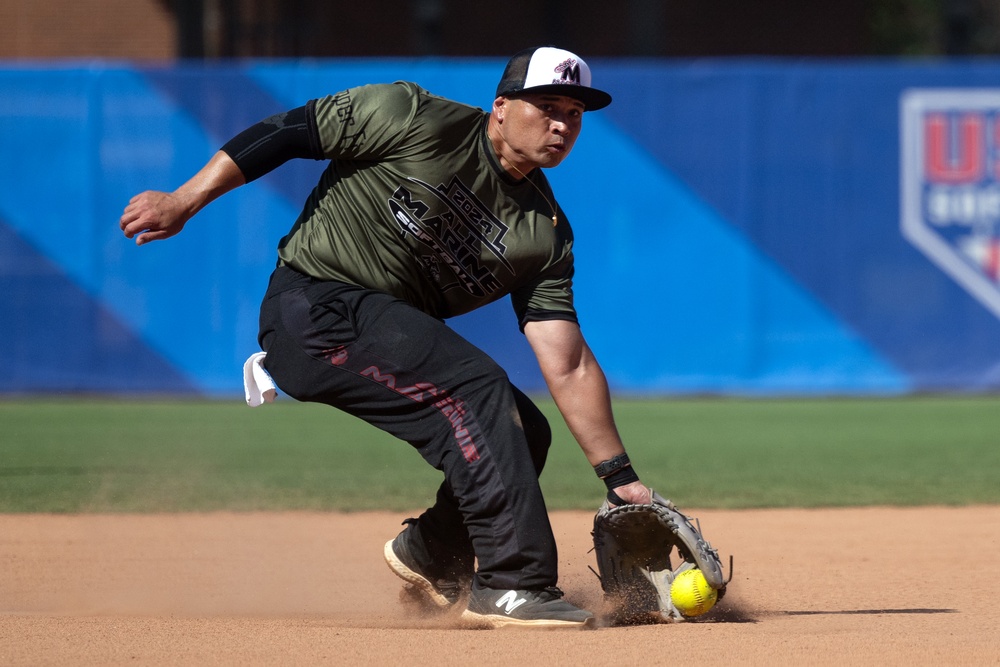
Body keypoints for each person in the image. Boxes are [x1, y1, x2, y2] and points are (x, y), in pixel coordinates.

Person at [120, 46, 652, 629]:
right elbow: (285, 131)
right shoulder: (413, 116)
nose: (561, 124)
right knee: (477, 388)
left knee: (525, 429)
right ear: (500, 108)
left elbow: (568, 361)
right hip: (314, 304)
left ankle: (432, 550)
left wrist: (620, 479)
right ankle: (512, 584)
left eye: (574, 113)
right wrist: (184, 199)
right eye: (546, 105)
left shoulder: (543, 233)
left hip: (384, 327)